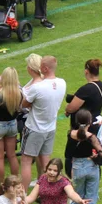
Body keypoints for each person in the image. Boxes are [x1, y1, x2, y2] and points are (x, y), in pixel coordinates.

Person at [20, 56, 66, 190]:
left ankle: (22, 194)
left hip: (34, 128)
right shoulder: (62, 82)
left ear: (45, 68)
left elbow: (24, 104)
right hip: (50, 128)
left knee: (26, 162)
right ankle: (48, 191)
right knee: (47, 163)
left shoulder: (38, 87)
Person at [64, 58, 102, 179]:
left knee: (74, 155)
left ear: (86, 71)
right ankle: (93, 177)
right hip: (94, 125)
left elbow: (71, 107)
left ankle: (76, 179)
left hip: (82, 128)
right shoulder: (101, 86)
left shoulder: (87, 89)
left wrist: (68, 108)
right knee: (92, 154)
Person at [68, 110, 102, 204]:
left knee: (76, 198)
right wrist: (97, 155)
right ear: (90, 122)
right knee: (91, 199)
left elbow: (68, 153)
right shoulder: (91, 137)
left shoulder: (71, 134)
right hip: (91, 168)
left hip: (77, 168)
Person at [0, 67, 23, 184]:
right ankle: (15, 183)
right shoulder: (19, 94)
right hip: (12, 124)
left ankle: (2, 185)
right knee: (12, 155)